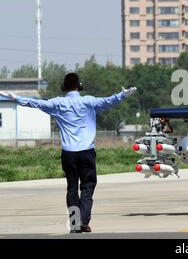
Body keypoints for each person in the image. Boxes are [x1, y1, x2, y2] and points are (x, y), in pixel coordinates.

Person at [0, 73, 137, 233]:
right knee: (87, 186)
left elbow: (35, 103)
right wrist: (122, 95)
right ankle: (83, 221)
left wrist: (15, 98)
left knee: (72, 186)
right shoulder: (89, 101)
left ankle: (74, 223)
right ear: (79, 86)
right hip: (86, 152)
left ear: (64, 87)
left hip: (68, 153)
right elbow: (108, 101)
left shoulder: (57, 103)